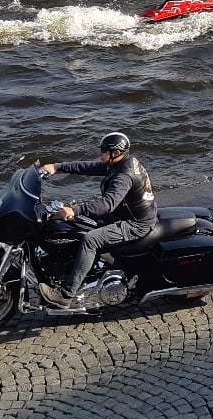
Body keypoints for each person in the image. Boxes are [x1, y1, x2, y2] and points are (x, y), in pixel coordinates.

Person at [36, 132, 158, 309]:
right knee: (80, 226)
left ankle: (66, 295)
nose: (100, 154)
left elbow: (108, 204)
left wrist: (75, 210)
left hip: (135, 223)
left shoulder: (123, 176)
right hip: (125, 214)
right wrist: (57, 167)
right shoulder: (121, 162)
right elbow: (89, 167)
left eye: (103, 151)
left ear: (115, 152)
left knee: (90, 240)